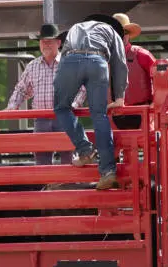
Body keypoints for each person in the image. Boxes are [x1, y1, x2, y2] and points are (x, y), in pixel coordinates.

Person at [53, 14, 128, 190]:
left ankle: (85, 150)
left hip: (71, 60)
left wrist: (62, 84)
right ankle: (108, 172)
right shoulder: (112, 32)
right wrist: (119, 97)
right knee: (99, 115)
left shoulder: (76, 27)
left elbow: (64, 58)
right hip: (98, 62)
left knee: (62, 108)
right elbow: (119, 63)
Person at [7, 24, 86, 165]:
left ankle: (66, 186)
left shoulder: (69, 64)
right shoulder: (33, 66)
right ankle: (46, 186)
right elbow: (21, 89)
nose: (46, 44)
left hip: (64, 117)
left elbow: (82, 88)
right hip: (41, 119)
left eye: (49, 41)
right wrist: (12, 106)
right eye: (43, 41)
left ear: (59, 42)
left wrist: (74, 105)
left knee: (68, 159)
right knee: (42, 161)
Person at [112, 13, 156, 130]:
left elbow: (162, 79)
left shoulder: (142, 55)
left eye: (124, 32)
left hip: (142, 113)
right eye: (117, 32)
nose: (121, 36)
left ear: (129, 35)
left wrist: (154, 104)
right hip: (113, 115)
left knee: (148, 145)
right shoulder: (102, 59)